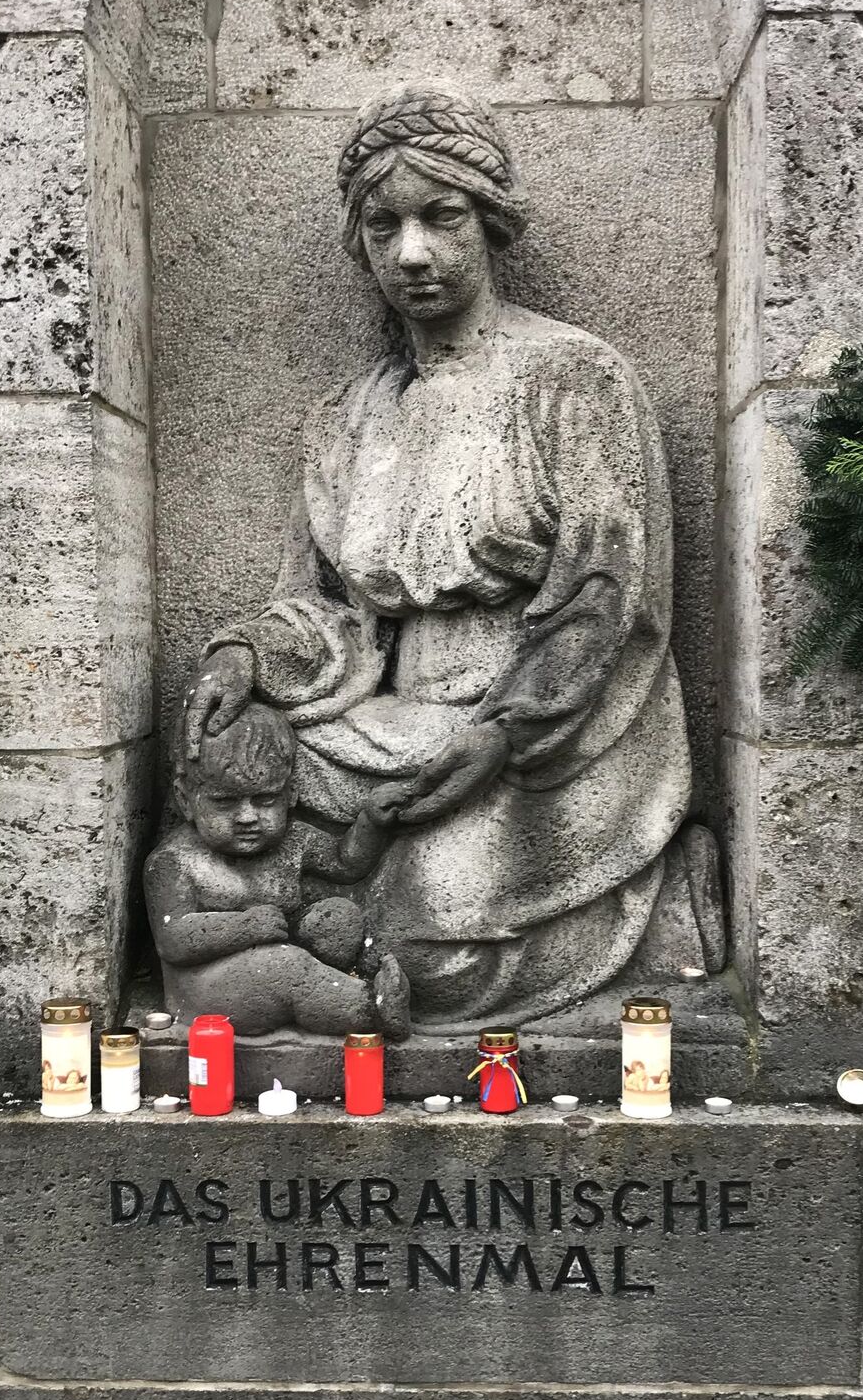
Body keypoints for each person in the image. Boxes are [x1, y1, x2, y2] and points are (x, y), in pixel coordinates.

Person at [181, 80, 694, 1030]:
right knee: (237, 784)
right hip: (389, 716)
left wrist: (500, 732)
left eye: (441, 217)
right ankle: (299, 943)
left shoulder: (574, 378)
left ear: (491, 224)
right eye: (384, 226)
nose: (411, 252)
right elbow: (327, 607)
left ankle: (655, 887)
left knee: (434, 963)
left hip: (545, 726)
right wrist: (246, 657)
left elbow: (607, 595)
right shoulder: (345, 417)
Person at [145, 702, 411, 1038]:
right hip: (206, 987)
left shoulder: (293, 840)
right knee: (285, 968)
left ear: (291, 794)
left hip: (280, 956)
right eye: (224, 802)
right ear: (186, 799)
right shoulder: (174, 861)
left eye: (265, 800)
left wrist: (371, 822)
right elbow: (173, 940)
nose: (247, 817)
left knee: (337, 918)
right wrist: (246, 927)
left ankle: (344, 986)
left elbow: (345, 864)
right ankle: (371, 1008)